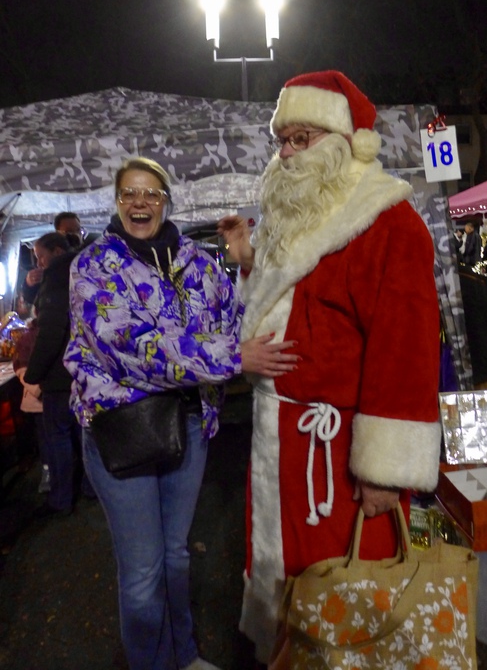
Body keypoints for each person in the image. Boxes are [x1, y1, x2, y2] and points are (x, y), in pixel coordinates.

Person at [218, 70, 441, 666]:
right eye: (283, 140)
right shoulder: (291, 219)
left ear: (344, 142)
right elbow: (281, 308)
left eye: (303, 139)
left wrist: (383, 471)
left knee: (347, 594)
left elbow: (407, 350)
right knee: (282, 576)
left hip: (340, 452)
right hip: (280, 436)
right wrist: (246, 270)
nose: (287, 155)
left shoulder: (389, 222)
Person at [63, 156, 297, 670]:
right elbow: (127, 347)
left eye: (150, 193)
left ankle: (183, 656)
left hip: (188, 426)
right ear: (117, 202)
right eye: (129, 194)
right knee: (144, 572)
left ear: (166, 200)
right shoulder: (94, 264)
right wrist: (230, 358)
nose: (140, 202)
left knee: (175, 556)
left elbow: (236, 324)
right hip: (123, 427)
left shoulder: (195, 260)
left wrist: (246, 263)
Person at [24, 232, 94, 518]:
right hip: (82, 369)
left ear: (55, 251)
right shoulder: (83, 269)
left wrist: (33, 373)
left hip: (59, 374)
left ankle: (62, 498)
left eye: (41, 256)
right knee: (83, 433)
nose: (39, 263)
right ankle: (90, 488)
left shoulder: (57, 275)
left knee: (59, 437)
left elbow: (51, 329)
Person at [12, 316, 51, 493]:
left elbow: (19, 366)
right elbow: (21, 368)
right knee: (48, 437)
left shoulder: (29, 337)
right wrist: (37, 389)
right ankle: (49, 471)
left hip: (48, 395)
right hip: (46, 396)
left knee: (50, 437)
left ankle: (50, 472)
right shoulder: (28, 337)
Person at [22, 212, 86, 306]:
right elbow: (34, 298)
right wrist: (29, 284)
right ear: (57, 233)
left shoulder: (88, 259)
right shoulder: (49, 262)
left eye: (78, 230)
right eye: (69, 231)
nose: (75, 235)